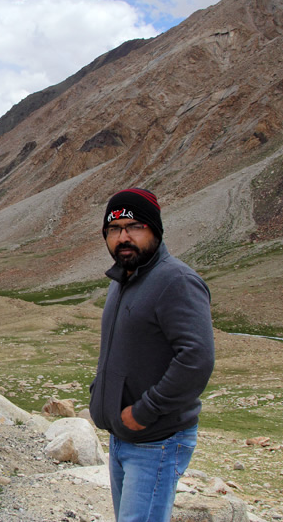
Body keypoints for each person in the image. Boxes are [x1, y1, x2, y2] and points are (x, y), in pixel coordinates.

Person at [89, 188, 215, 521]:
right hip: (122, 437)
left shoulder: (177, 281)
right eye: (114, 230)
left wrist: (144, 412)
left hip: (156, 440)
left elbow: (196, 359)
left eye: (134, 227)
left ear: (155, 230)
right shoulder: (123, 280)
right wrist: (100, 393)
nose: (123, 237)